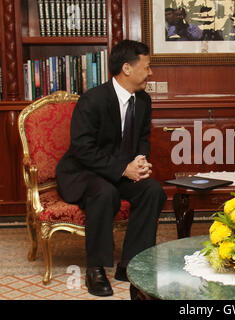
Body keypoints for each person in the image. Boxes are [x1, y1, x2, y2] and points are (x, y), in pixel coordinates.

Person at [56, 40, 167, 297]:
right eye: (147, 67)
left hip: (118, 170)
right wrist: (122, 169)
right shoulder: (92, 100)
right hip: (83, 172)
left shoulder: (143, 100)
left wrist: (139, 161)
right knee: (105, 193)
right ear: (127, 68)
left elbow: (142, 138)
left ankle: (131, 263)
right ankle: (95, 269)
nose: (151, 73)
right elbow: (82, 149)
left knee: (153, 190)